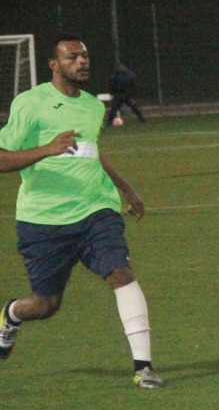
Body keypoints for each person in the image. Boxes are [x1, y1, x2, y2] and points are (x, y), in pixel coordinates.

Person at [0, 35, 162, 388]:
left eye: (85, 56)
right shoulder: (30, 104)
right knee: (45, 305)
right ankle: (11, 314)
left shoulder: (92, 106)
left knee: (121, 273)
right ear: (54, 66)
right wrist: (47, 149)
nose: (82, 62)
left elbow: (91, 150)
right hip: (44, 220)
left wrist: (125, 187)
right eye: (72, 57)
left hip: (95, 210)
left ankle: (143, 367)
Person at [105, 61, 146, 126]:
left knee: (134, 108)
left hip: (127, 95)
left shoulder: (131, 75)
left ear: (125, 66)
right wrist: (112, 92)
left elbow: (134, 86)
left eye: (121, 65)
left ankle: (142, 120)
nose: (120, 67)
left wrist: (133, 97)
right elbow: (113, 84)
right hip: (119, 94)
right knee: (114, 108)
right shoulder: (117, 74)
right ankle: (109, 122)